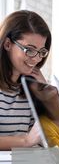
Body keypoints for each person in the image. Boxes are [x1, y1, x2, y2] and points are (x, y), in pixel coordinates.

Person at [0, 10, 51, 150]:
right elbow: (30, 140)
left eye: (41, 52)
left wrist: (45, 94)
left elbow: (47, 140)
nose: (36, 59)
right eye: (29, 50)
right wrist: (26, 141)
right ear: (8, 44)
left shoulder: (30, 88)